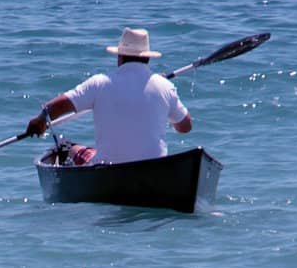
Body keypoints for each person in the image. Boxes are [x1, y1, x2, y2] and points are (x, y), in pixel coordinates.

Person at [26, 27, 192, 166]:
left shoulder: (100, 83)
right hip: (155, 171)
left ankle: (68, 147)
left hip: (107, 171)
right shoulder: (165, 86)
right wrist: (164, 95)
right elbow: (185, 127)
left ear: (120, 57)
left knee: (74, 150)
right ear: (147, 58)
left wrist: (40, 120)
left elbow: (59, 105)